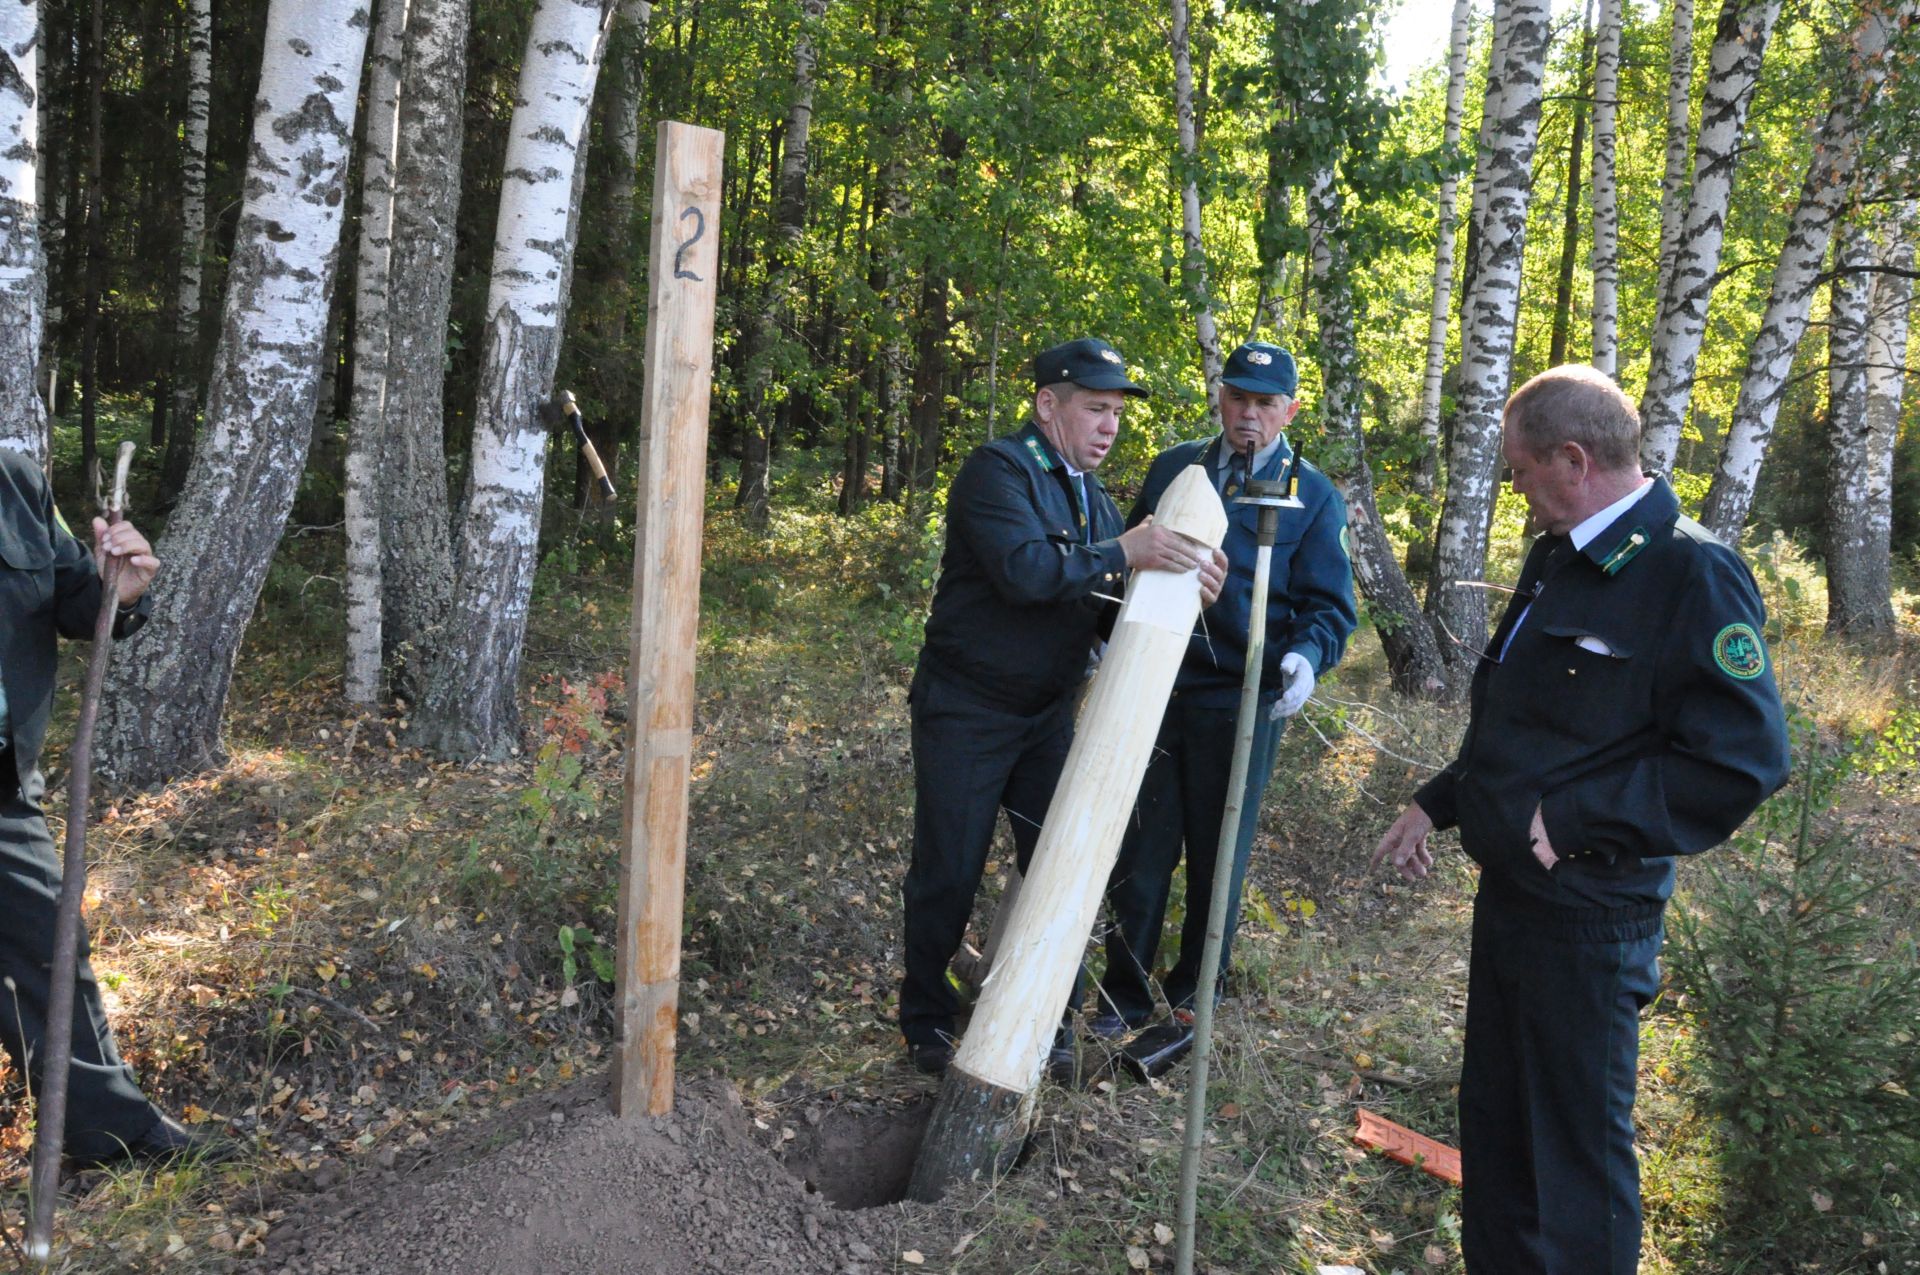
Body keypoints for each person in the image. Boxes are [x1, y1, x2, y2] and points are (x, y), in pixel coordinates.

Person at [1370, 365, 1789, 1275]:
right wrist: (1438, 801)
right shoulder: (1560, 551)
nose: (1516, 492)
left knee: (1572, 1161)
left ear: (1573, 458)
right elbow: (1526, 722)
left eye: (1520, 472)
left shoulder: (1692, 571)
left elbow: (1743, 760)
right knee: (1500, 1127)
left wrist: (1581, 817)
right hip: (1515, 899)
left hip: (1592, 915)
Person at [898, 337, 1226, 1076]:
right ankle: (925, 1020)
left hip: (1046, 715)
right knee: (949, 869)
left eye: (1116, 413)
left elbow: (1103, 609)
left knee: (1064, 863)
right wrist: (1128, 551)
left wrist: (1184, 586)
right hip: (968, 710)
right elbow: (1025, 571)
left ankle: (1045, 1020)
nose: (1110, 426)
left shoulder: (1095, 497)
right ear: (1049, 405)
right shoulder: (998, 472)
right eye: (1095, 409)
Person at [1094, 341, 1356, 1043]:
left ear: (1290, 410)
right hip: (1155, 683)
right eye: (1239, 398)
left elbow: (1332, 607)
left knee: (1219, 852)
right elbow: (1126, 565)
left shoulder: (1313, 492)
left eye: (1266, 403)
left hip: (1241, 695)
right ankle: (1120, 995)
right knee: (1142, 850)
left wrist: (1305, 658)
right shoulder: (1177, 468)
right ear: (1220, 398)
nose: (1249, 415)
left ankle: (1191, 998)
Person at [1, 446, 211, 1166]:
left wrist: (116, 587)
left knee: (50, 949)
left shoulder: (14, 479)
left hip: (3, 790)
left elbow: (70, 596)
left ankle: (106, 1133)